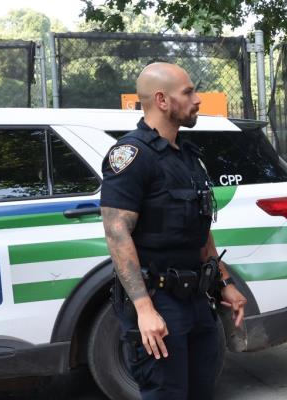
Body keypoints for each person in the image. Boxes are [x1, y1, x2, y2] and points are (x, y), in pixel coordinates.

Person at [100, 62, 247, 400]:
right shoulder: (132, 155)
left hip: (196, 298)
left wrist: (224, 282)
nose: (197, 100)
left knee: (202, 391)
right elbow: (117, 232)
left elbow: (199, 228)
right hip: (158, 300)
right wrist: (144, 309)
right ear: (162, 100)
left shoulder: (186, 156)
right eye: (189, 92)